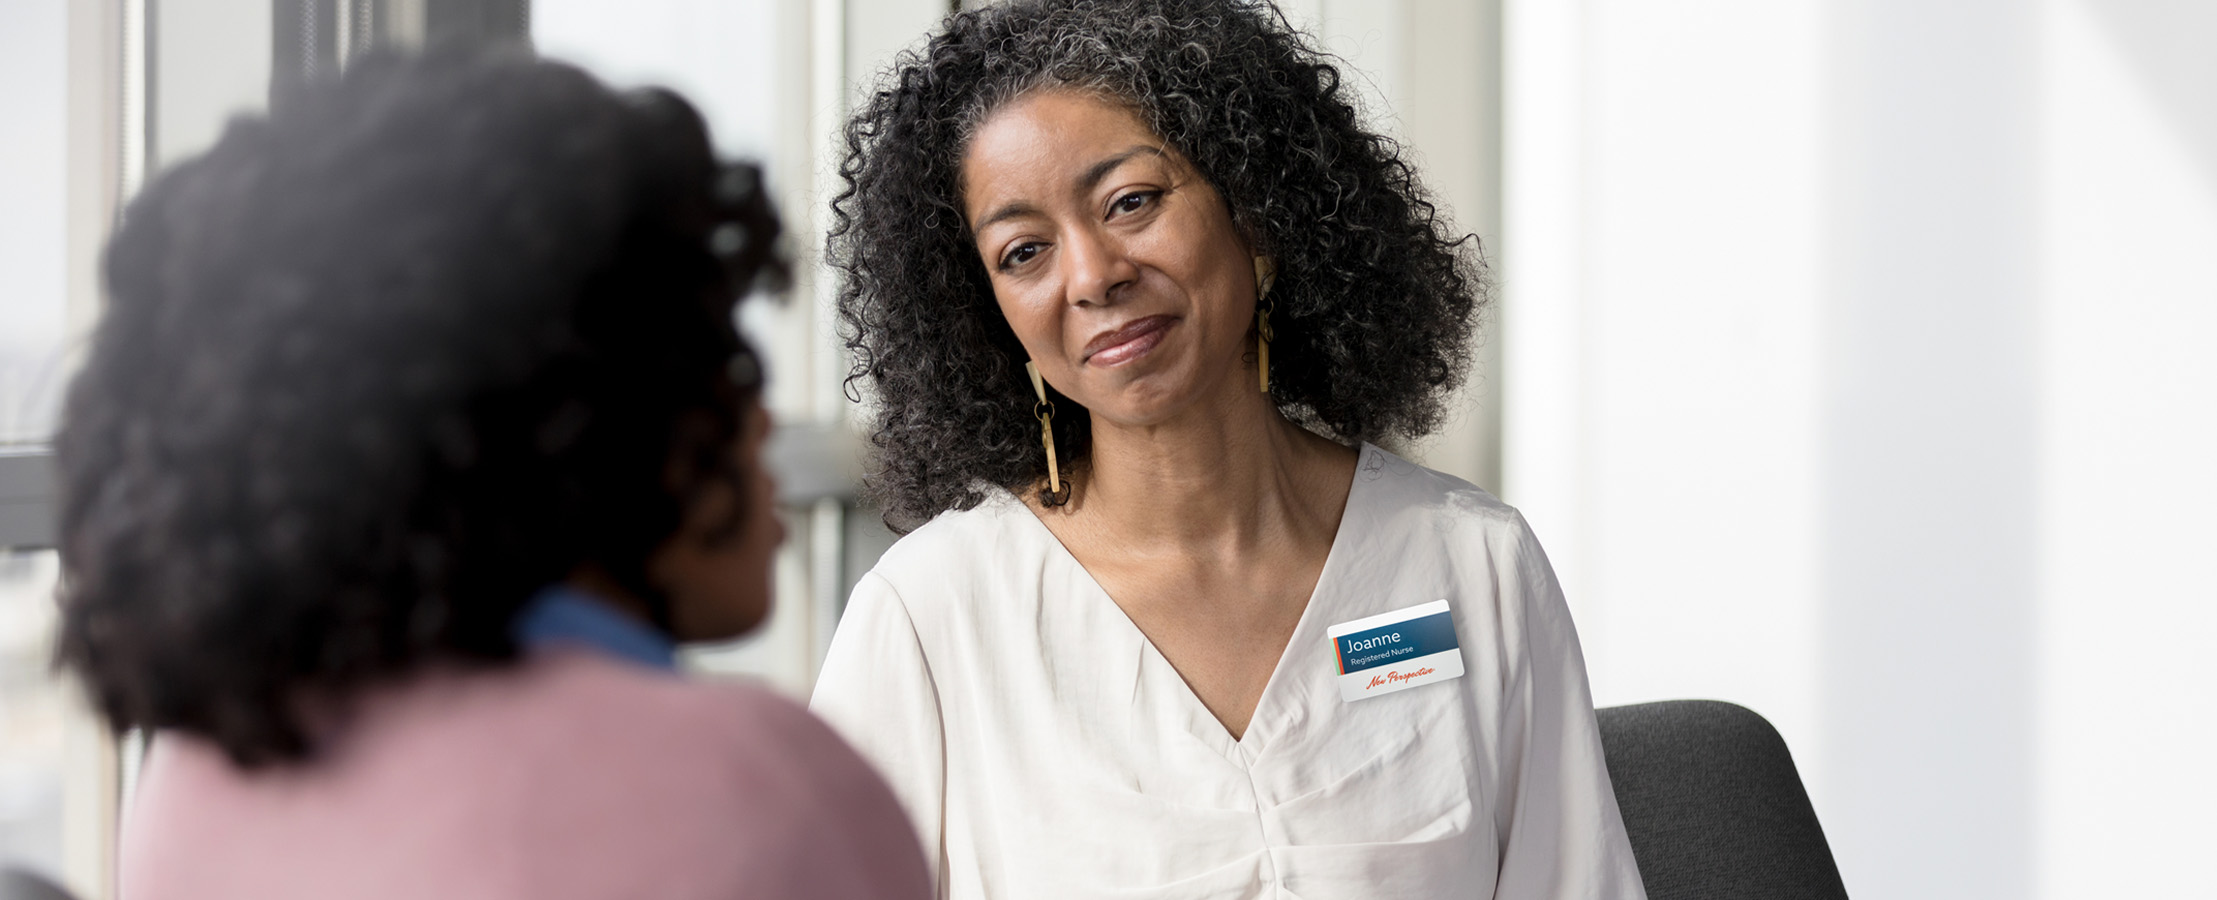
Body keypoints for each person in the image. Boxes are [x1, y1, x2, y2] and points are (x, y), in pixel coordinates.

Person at [808, 0, 1646, 897]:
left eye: (1131, 202)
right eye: (1023, 253)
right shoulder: (931, 616)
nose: (1092, 276)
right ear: (987, 316)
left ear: (1256, 209)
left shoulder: (1471, 564)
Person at [53, 50, 929, 900]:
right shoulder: (766, 795)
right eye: (725, 367)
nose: (762, 419)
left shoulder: (195, 776)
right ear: (586, 421)